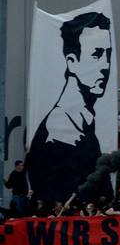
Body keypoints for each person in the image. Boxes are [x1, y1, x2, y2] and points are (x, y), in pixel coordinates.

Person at [26, 11, 112, 203]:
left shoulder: (82, 124)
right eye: (97, 55)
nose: (106, 65)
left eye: (108, 54)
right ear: (72, 62)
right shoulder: (59, 134)